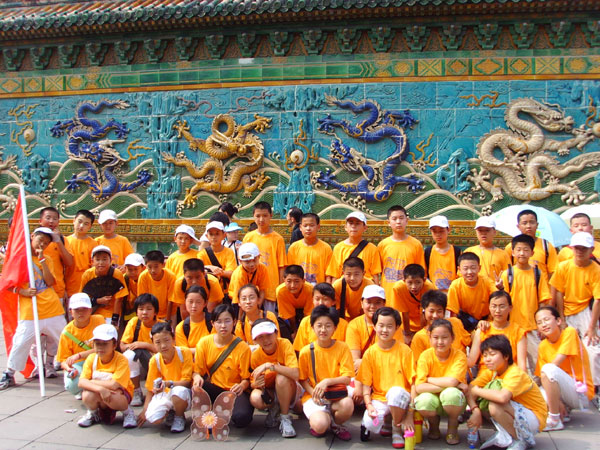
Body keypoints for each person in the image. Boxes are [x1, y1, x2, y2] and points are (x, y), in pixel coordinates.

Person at [0, 227, 67, 389]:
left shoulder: (47, 259)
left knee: (66, 338)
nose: (42, 244)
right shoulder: (20, 259)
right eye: (40, 240)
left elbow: (50, 282)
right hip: (30, 311)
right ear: (32, 237)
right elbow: (6, 283)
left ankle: (77, 368)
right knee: (20, 342)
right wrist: (21, 291)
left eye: (46, 243)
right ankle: (9, 373)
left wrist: (42, 260)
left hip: (52, 309)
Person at [467, 335, 547, 450]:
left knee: (495, 405)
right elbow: (470, 389)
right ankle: (506, 434)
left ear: (506, 356)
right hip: (516, 412)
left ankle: (521, 440)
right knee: (484, 402)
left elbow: (503, 397)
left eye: (492, 354)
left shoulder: (515, 373)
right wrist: (475, 411)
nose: (487, 359)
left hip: (534, 417)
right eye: (485, 355)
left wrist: (478, 391)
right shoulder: (493, 371)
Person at [357, 307, 415, 448]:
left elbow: (414, 383)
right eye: (381, 325)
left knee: (395, 392)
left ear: (396, 328)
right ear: (374, 326)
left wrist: (411, 413)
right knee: (371, 423)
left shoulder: (405, 351)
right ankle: (384, 422)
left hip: (401, 398)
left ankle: (396, 428)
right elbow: (366, 384)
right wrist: (369, 405)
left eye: (389, 326)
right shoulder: (370, 353)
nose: (384, 330)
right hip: (380, 398)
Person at [550, 231, 600, 390]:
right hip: (566, 309)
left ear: (591, 250)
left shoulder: (596, 270)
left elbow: (598, 300)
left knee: (593, 349)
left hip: (586, 311)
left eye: (584, 248)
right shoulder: (564, 266)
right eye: (577, 248)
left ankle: (595, 387)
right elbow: (559, 292)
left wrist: (592, 327)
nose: (580, 251)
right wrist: (562, 318)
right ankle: (567, 385)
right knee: (566, 348)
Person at [192, 304, 254, 428]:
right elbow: (197, 371)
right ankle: (209, 414)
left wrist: (241, 386)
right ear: (212, 323)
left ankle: (225, 411)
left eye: (227, 321)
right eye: (219, 322)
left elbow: (246, 379)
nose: (223, 326)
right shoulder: (204, 343)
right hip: (215, 388)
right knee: (197, 387)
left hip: (234, 392)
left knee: (242, 418)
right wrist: (196, 377)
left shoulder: (243, 347)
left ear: (234, 322)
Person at [298, 305, 354, 441]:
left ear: (335, 328)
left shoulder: (343, 347)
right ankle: (324, 419)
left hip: (336, 395)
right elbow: (302, 379)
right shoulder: (306, 351)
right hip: (314, 396)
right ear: (312, 327)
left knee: (347, 404)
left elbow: (347, 378)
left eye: (328, 326)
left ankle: (336, 424)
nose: (323, 330)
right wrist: (314, 393)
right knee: (320, 425)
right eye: (319, 325)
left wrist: (327, 381)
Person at [535, 305, 594, 430]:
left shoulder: (569, 332)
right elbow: (543, 378)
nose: (543, 324)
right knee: (536, 394)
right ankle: (563, 412)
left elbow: (554, 365)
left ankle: (554, 419)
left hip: (580, 393)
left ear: (558, 321)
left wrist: (555, 401)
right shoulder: (542, 346)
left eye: (546, 320)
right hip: (563, 392)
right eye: (539, 323)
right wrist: (556, 401)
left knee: (548, 369)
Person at [498, 234, 551, 370]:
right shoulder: (507, 274)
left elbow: (543, 301)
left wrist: (541, 325)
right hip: (512, 326)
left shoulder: (537, 274)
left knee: (537, 364)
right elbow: (502, 302)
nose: (522, 253)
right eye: (519, 250)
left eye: (526, 250)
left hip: (533, 327)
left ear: (532, 253)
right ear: (513, 252)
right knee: (512, 364)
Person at [414, 319, 468, 445]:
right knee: (423, 401)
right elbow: (419, 387)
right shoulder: (425, 356)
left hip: (453, 401)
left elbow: (452, 381)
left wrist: (429, 379)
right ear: (430, 338)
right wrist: (451, 385)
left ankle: (452, 427)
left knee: (451, 394)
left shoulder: (459, 356)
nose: (440, 342)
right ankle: (433, 425)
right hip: (433, 397)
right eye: (436, 337)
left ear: (452, 338)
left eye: (444, 337)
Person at [137, 322, 193, 433]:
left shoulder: (184, 353)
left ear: (173, 339)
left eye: (166, 340)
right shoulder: (155, 360)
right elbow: (150, 389)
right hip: (165, 394)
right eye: (158, 342)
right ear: (153, 343)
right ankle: (171, 412)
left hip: (183, 394)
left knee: (178, 391)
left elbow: (186, 382)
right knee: (153, 417)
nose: (163, 346)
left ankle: (179, 416)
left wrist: (168, 383)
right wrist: (144, 410)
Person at [77, 324, 136, 428]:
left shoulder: (121, 360)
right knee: (87, 395)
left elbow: (114, 384)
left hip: (118, 393)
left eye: (105, 344)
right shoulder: (91, 358)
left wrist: (91, 382)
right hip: (99, 392)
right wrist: (101, 389)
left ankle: (127, 413)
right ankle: (92, 413)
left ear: (114, 345)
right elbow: (81, 382)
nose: (100, 347)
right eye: (97, 343)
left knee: (115, 396)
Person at [249, 319, 300, 438]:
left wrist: (271, 366)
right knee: (255, 398)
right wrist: (256, 384)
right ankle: (275, 407)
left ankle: (285, 417)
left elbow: (295, 374)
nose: (266, 340)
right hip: (271, 390)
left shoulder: (285, 344)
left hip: (289, 387)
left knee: (282, 377)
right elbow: (252, 382)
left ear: (276, 333)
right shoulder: (255, 355)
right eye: (260, 337)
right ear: (255, 340)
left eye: (269, 335)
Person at [57, 293, 105, 398]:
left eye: (84, 309)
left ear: (90, 310)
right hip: (78, 365)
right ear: (71, 311)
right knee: (72, 385)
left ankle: (90, 387)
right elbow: (63, 360)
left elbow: (104, 348)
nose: (81, 312)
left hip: (99, 360)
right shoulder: (67, 332)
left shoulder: (99, 320)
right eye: (77, 310)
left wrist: (79, 355)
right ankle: (87, 387)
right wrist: (69, 369)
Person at [243, 201, 287, 313]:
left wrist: (280, 288)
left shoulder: (278, 239)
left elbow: (281, 266)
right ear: (253, 216)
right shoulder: (248, 238)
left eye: (265, 216)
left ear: (270, 216)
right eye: (258, 216)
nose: (261, 219)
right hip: (252, 286)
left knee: (270, 317)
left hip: (271, 288)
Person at [468, 291, 527, 372]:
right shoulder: (482, 330)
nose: (497, 310)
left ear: (510, 308)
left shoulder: (518, 332)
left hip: (509, 373)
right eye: (494, 306)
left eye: (502, 306)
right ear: (489, 307)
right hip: (486, 374)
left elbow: (522, 365)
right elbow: (471, 361)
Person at [120, 294, 160, 407]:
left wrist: (144, 345)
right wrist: (135, 346)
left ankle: (156, 391)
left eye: (149, 309)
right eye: (141, 309)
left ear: (155, 312)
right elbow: (122, 346)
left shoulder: (162, 326)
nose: (144, 312)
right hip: (139, 365)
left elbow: (167, 351)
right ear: (136, 312)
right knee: (128, 355)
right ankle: (136, 391)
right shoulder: (134, 322)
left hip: (156, 364)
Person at [378, 205, 425, 300]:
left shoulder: (416, 244)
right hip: (388, 295)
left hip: (408, 297)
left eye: (401, 218)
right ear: (388, 222)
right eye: (394, 219)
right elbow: (379, 272)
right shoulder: (382, 245)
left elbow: (421, 272)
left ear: (406, 220)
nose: (398, 222)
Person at [410, 290, 471, 362]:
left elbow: (470, 342)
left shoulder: (455, 323)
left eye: (439, 311)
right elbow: (417, 364)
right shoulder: (419, 337)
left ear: (444, 312)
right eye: (431, 311)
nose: (435, 316)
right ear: (424, 310)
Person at [326, 211, 381, 284]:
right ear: (345, 227)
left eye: (357, 223)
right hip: (345, 287)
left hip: (365, 287)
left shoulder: (372, 248)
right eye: (351, 223)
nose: (353, 226)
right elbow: (335, 274)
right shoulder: (339, 248)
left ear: (365, 228)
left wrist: (376, 289)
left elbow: (375, 275)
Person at [447, 252, 496, 332]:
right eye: (465, 269)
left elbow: (497, 299)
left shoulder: (487, 282)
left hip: (486, 321)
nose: (469, 272)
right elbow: (453, 313)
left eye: (473, 268)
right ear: (459, 270)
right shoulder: (455, 285)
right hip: (466, 322)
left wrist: (501, 288)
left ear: (479, 268)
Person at [79, 245, 128, 326]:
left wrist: (115, 319)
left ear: (110, 260)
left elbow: (118, 299)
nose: (101, 262)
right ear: (92, 261)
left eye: (104, 259)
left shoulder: (116, 274)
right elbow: (83, 297)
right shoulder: (87, 274)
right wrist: (98, 301)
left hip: (110, 312)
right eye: (97, 259)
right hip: (93, 311)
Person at [293, 282, 348, 353]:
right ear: (312, 300)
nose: (321, 303)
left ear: (333, 302)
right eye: (317, 299)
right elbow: (299, 350)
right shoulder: (305, 322)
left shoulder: (343, 324)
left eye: (325, 299)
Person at [505, 209, 557, 278]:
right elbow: (506, 271)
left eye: (532, 222)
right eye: (524, 223)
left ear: (537, 225)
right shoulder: (511, 247)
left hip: (541, 284)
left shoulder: (546, 246)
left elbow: (553, 272)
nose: (528, 226)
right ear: (518, 226)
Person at [391, 263, 435, 345]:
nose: (414, 287)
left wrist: (421, 335)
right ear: (404, 281)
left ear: (424, 280)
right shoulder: (398, 288)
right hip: (407, 324)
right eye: (410, 282)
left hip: (424, 323)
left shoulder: (429, 288)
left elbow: (424, 313)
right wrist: (407, 334)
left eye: (418, 282)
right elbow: (404, 312)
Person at [38, 206, 74, 303]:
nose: (51, 221)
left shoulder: (62, 240)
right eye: (48, 218)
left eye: (55, 219)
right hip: (38, 289)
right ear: (40, 221)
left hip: (57, 290)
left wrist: (58, 241)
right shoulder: (33, 240)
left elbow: (69, 263)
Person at [287, 213, 333, 285]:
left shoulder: (326, 248)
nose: (308, 228)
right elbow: (289, 272)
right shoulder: (294, 247)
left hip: (318, 290)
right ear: (300, 227)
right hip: (299, 289)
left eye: (311, 225)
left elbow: (329, 275)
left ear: (318, 227)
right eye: (305, 226)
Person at [198, 221, 236, 299]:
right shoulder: (202, 254)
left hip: (224, 291)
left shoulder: (229, 252)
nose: (214, 237)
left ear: (224, 235)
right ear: (207, 236)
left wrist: (218, 272)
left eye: (217, 234)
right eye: (211, 234)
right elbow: (198, 270)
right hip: (208, 291)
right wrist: (210, 267)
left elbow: (231, 273)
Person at [465, 216, 510, 282]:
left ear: (494, 232)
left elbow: (508, 277)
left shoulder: (503, 255)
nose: (483, 233)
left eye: (487, 230)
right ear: (476, 232)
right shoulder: (469, 252)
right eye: (480, 230)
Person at [65, 209, 97, 298]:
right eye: (79, 222)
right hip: (68, 285)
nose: (81, 226)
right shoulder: (65, 241)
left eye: (86, 224)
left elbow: (94, 268)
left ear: (90, 227)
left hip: (86, 286)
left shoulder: (93, 243)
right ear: (74, 221)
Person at [137, 250, 176, 321]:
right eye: (149, 267)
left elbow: (171, 300)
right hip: (150, 313)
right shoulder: (143, 277)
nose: (153, 270)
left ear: (163, 265)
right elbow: (143, 299)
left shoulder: (171, 277)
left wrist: (167, 320)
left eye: (156, 267)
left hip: (169, 313)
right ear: (146, 266)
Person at [425, 215, 460, 291]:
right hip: (433, 294)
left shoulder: (456, 251)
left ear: (448, 230)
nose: (438, 234)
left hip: (452, 293)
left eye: (441, 231)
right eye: (434, 231)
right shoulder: (428, 252)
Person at [175, 286, 212, 355]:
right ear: (185, 302)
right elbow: (183, 352)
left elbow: (215, 348)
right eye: (190, 302)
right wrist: (204, 350)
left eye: (198, 302)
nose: (194, 305)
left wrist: (191, 350)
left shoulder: (213, 323)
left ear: (205, 303)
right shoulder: (181, 327)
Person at [276, 265, 313, 332]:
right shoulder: (281, 291)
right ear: (284, 280)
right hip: (290, 314)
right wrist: (294, 330)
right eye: (289, 281)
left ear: (303, 281)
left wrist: (301, 331)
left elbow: (308, 314)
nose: (292, 285)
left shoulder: (310, 290)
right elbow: (288, 314)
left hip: (304, 311)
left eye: (296, 281)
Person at [122, 253, 145, 323]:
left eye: (136, 269)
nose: (133, 272)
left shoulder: (147, 278)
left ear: (143, 268)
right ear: (125, 269)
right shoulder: (125, 278)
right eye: (130, 270)